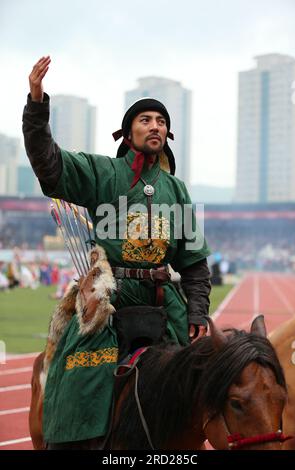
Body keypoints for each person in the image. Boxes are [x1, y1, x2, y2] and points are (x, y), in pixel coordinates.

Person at [22, 56, 211, 447]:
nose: (155, 125)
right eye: (146, 120)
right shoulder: (102, 173)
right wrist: (37, 105)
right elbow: (49, 163)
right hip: (108, 301)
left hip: (164, 306)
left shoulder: (177, 191)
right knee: (78, 382)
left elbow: (194, 264)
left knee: (190, 395)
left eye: (161, 122)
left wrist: (196, 312)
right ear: (128, 133)